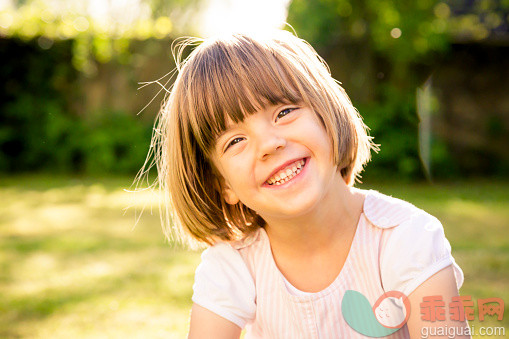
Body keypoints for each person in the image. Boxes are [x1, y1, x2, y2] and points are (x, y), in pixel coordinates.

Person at [141, 30, 469, 338]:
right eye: (236, 140)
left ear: (327, 116)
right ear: (222, 184)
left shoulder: (406, 238)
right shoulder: (233, 267)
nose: (269, 144)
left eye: (284, 112)